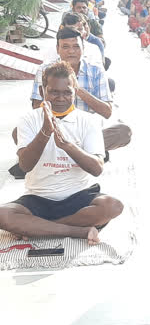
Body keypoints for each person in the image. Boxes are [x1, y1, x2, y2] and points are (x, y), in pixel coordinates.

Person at [0, 62, 123, 245]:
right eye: (54, 92)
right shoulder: (29, 119)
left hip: (78, 197)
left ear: (75, 92)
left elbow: (97, 169)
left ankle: (37, 228)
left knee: (113, 206)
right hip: (38, 198)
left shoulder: (88, 121)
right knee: (3, 215)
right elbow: (25, 165)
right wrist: (45, 132)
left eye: (67, 93)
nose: (61, 98)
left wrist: (66, 145)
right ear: (42, 92)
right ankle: (77, 231)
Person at [29, 28, 132, 152]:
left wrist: (77, 89)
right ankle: (84, 153)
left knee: (123, 132)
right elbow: (36, 107)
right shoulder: (45, 69)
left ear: (83, 48)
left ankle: (71, 153)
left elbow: (107, 112)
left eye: (76, 46)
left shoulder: (96, 70)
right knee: (19, 132)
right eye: (65, 47)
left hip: (86, 132)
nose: (71, 51)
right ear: (57, 49)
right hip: (55, 132)